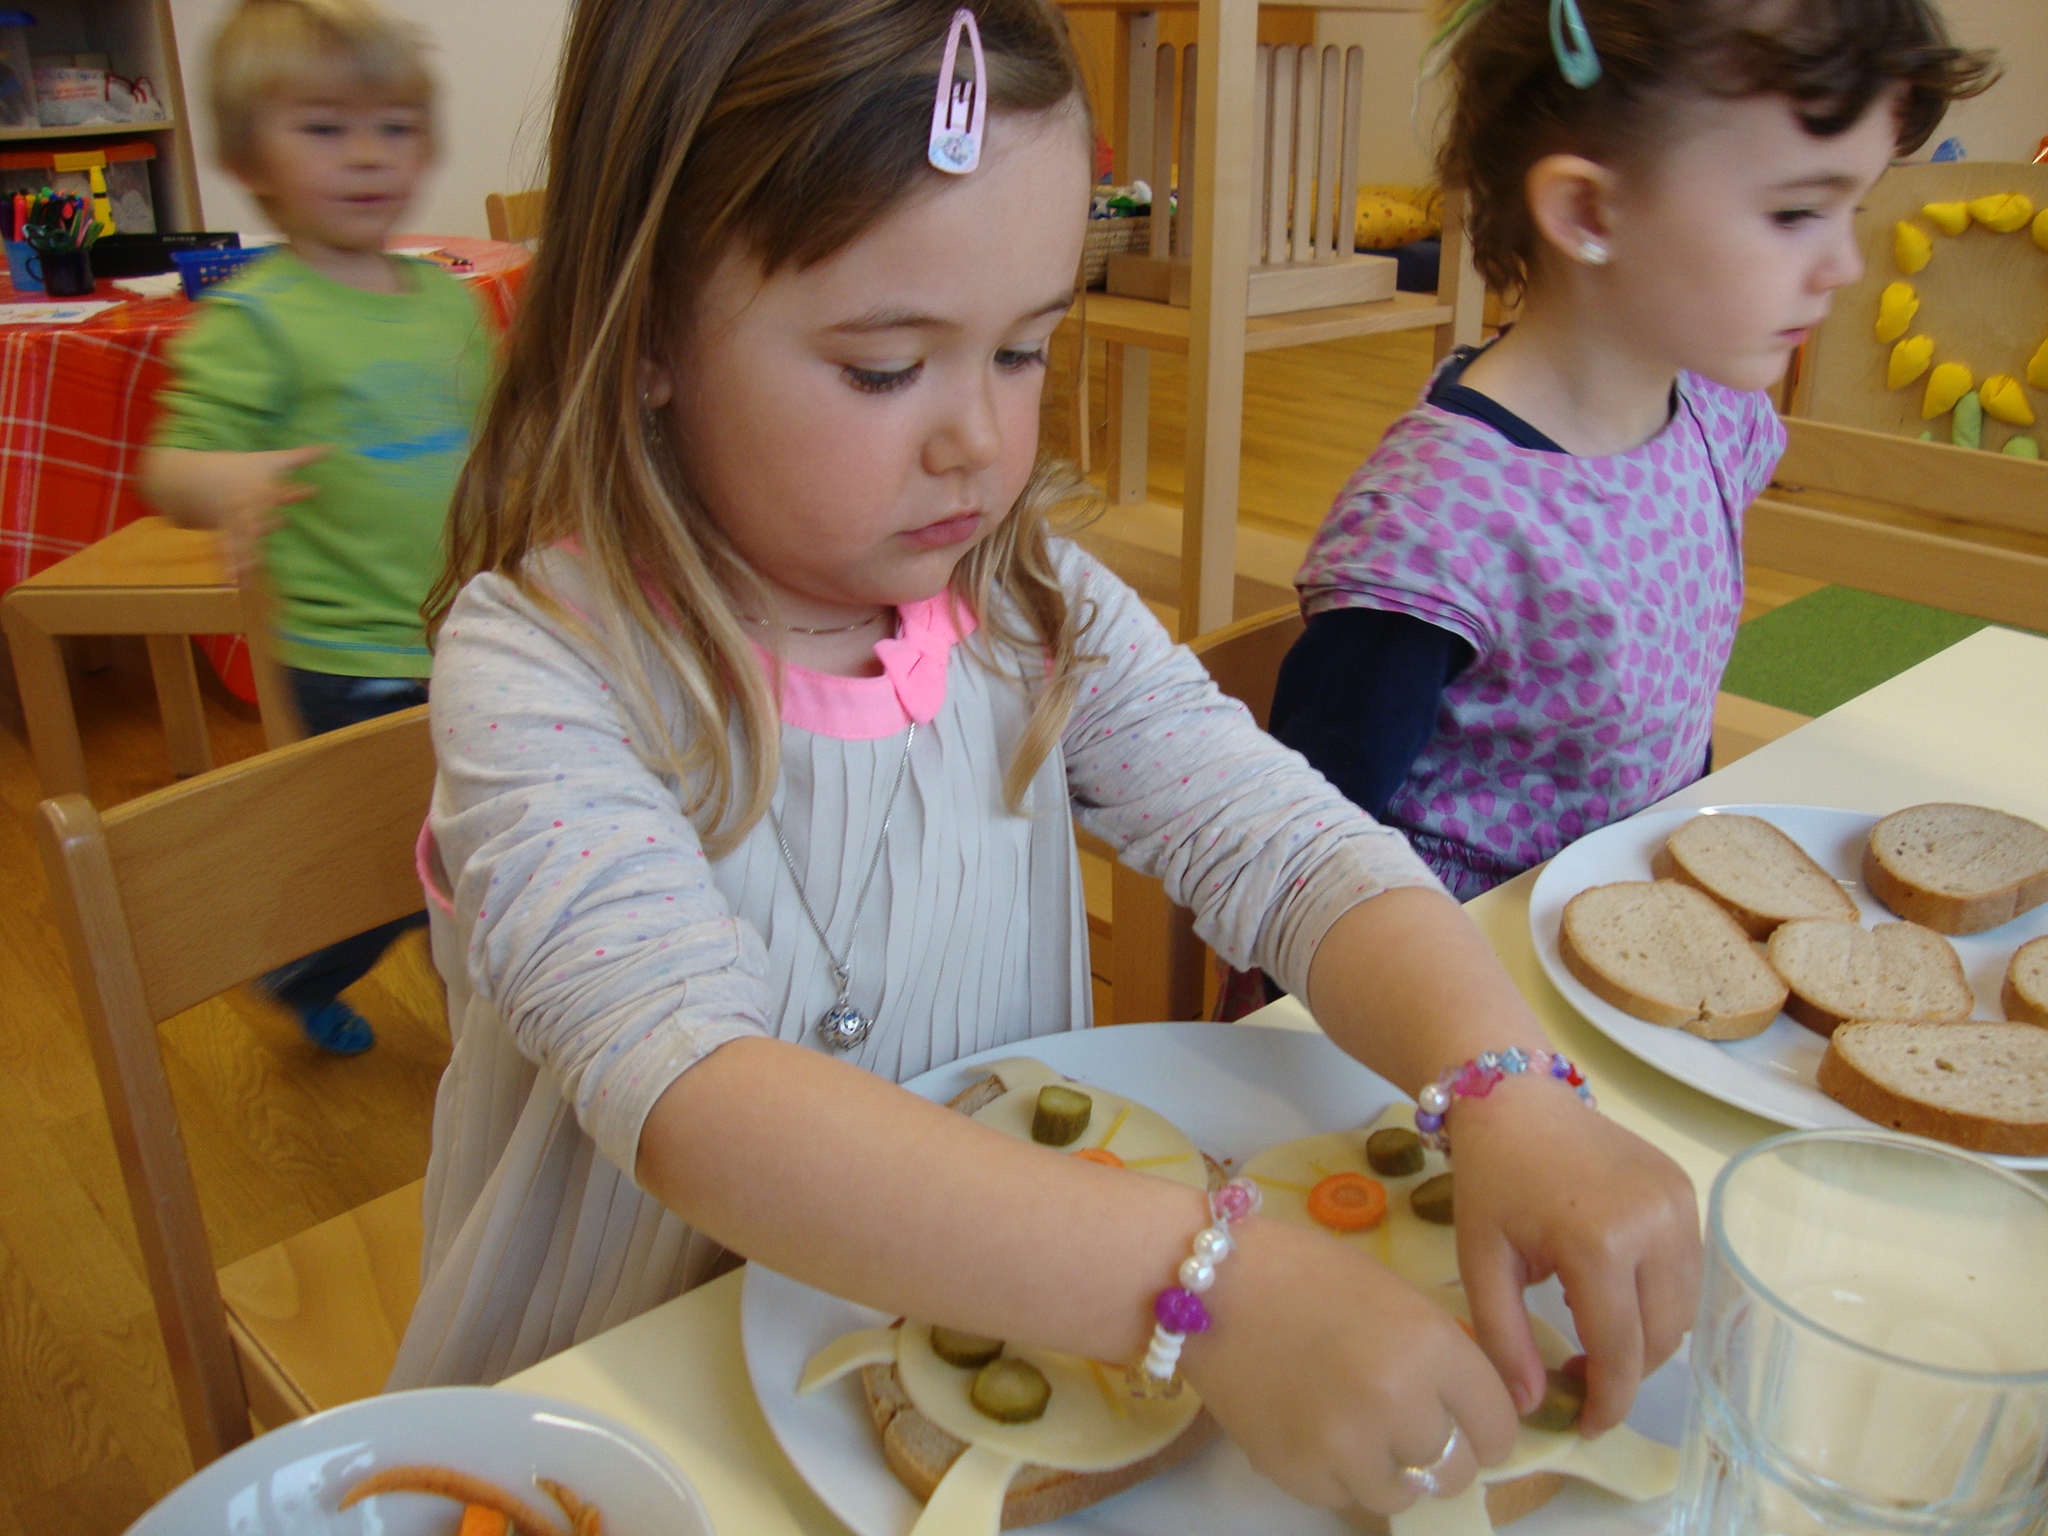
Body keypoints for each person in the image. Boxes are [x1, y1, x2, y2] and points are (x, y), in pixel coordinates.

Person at [393, 0, 1699, 1518]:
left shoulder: (1030, 607)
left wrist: (1504, 1085)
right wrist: (1210, 1281)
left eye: (1022, 347)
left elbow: (1291, 846)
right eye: (886, 367)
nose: (977, 440)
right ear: (647, 334)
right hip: (626, 1408)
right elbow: (697, 1096)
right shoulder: (542, 671)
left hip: (1025, 1328)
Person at [1270, 0, 1993, 902]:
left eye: (1856, 205)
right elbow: (1299, 864)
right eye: (1797, 211)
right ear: (1588, 210)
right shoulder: (1438, 530)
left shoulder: (1716, 414)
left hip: (1636, 902)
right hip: (1462, 958)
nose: (1844, 264)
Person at [142, 0, 496, 1053]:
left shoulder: (447, 301)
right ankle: (308, 971)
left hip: (471, 632)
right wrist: (226, 479)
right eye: (325, 128)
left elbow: (496, 440)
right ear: (249, 159)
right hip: (349, 657)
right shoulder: (256, 318)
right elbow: (167, 466)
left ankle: (478, 1007)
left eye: (394, 127)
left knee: (469, 842)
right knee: (390, 862)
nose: (368, 155)